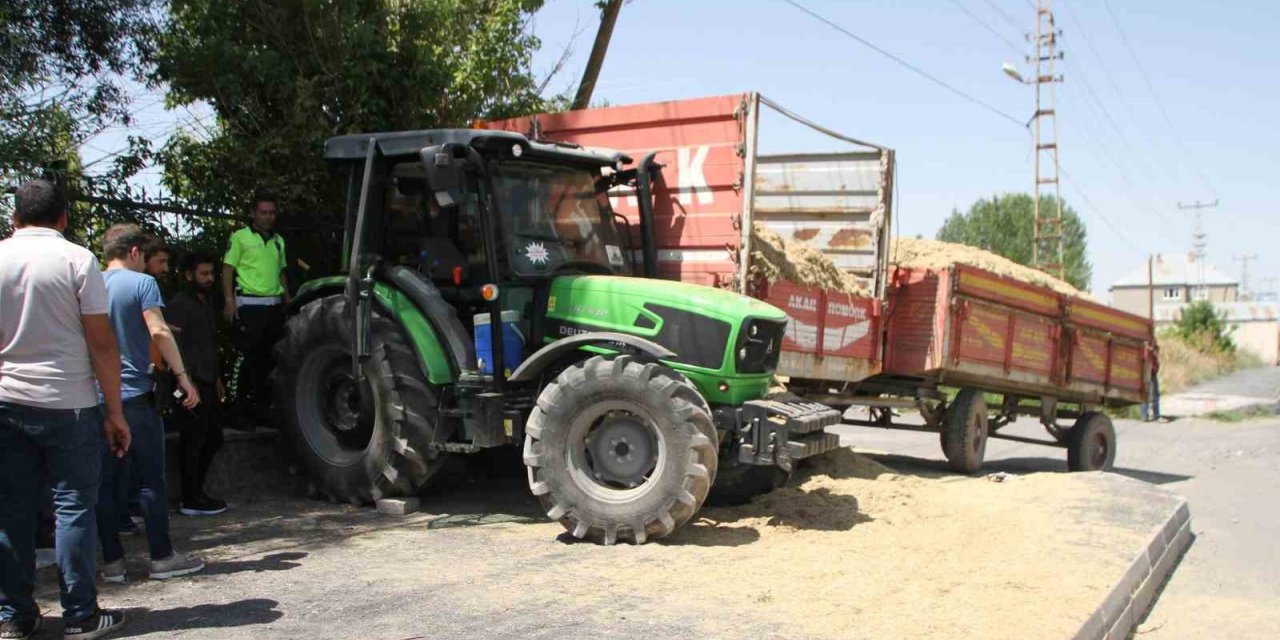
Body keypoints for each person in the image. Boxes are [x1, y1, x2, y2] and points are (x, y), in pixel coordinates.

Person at [1, 179, 129, 639]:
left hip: (6, 402)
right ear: (64, 218)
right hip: (69, 403)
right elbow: (101, 342)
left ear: (14, 218)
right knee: (73, 507)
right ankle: (80, 616)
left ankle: (14, 616)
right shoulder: (78, 259)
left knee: (11, 510)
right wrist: (114, 411)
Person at [96, 224, 205, 584]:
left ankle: (112, 563)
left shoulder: (89, 283)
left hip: (97, 397)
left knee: (106, 483)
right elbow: (157, 330)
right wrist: (182, 375)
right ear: (134, 253)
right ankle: (161, 556)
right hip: (135, 396)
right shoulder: (142, 284)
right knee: (150, 480)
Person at [223, 189, 290, 427]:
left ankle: (261, 410)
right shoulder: (240, 237)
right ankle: (238, 411)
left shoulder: (278, 241)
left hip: (273, 306)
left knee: (268, 360)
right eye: (263, 213)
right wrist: (229, 302)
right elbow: (228, 269)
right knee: (246, 359)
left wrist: (288, 302)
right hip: (249, 305)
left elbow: (282, 274)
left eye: (272, 213)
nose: (268, 217)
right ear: (254, 214)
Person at [167, 252, 227, 515]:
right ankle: (190, 498)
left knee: (212, 437)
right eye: (204, 274)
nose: (210, 279)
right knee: (193, 441)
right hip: (190, 383)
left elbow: (210, 345)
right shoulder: (180, 304)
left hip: (207, 380)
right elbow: (173, 344)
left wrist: (216, 379)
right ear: (189, 275)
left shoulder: (207, 302)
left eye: (212, 274)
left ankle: (197, 492)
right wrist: (185, 380)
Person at [1142, 342, 1162, 422]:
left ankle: (1145, 415)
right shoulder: (1148, 345)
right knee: (1154, 394)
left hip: (1148, 371)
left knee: (1147, 393)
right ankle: (1155, 415)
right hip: (1150, 371)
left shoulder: (1147, 343)